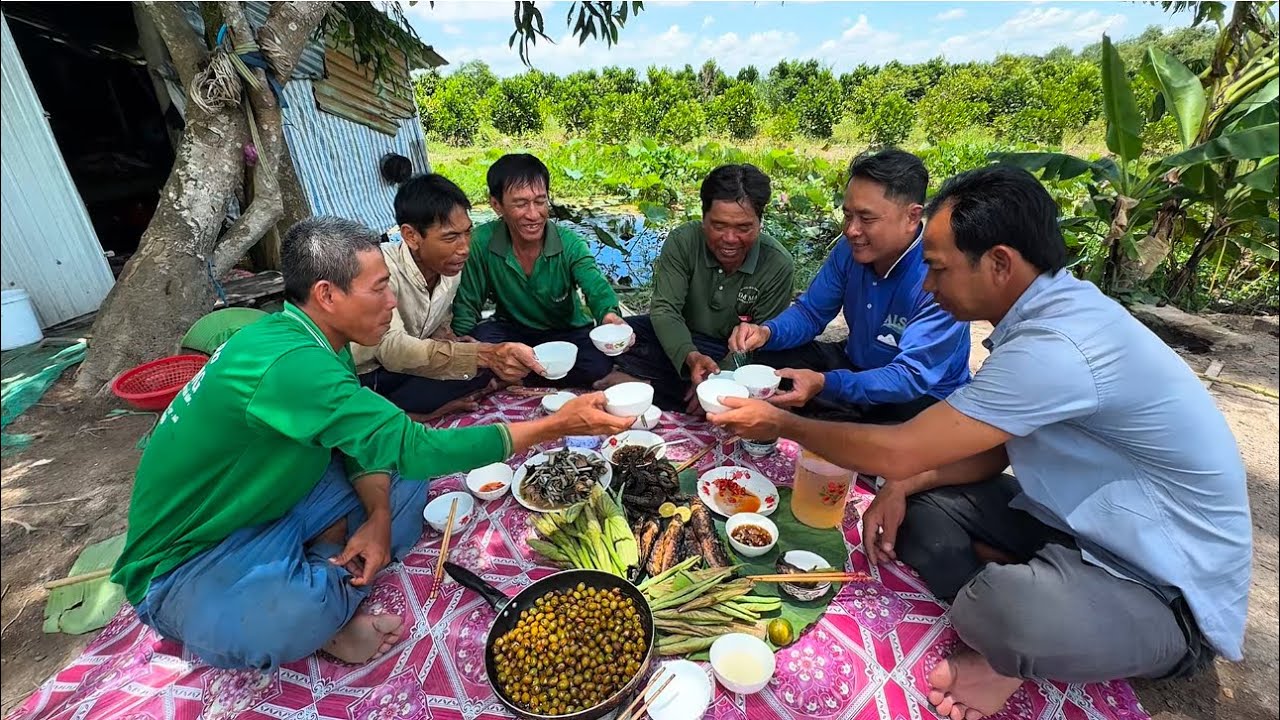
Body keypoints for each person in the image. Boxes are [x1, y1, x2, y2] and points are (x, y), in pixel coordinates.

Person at [707, 166, 1250, 720]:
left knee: (997, 611)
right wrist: (904, 484)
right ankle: (1045, 592)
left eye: (938, 268)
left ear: (998, 263)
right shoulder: (1041, 320)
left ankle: (1020, 640)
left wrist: (787, 426)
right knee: (912, 512)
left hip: (1156, 580)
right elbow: (999, 447)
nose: (926, 284)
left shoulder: (1058, 346)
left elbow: (902, 446)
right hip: (1069, 522)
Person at [111, 217, 634, 671]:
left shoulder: (317, 340)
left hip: (279, 502)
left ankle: (329, 552)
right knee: (275, 624)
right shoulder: (288, 365)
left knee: (405, 490)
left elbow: (368, 447)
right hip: (193, 553)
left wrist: (378, 519)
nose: (391, 303)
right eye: (379, 289)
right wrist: (551, 427)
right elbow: (413, 445)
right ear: (327, 295)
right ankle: (324, 607)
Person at [728, 149, 970, 423]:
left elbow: (911, 376)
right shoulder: (849, 251)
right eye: (847, 215)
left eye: (866, 219)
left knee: (888, 436)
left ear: (912, 217)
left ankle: (839, 421)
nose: (850, 230)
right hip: (855, 364)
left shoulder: (940, 273)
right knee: (769, 358)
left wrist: (827, 383)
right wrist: (766, 332)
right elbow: (811, 313)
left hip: (922, 394)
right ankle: (837, 418)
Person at [600, 164, 795, 411]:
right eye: (719, 226)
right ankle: (664, 389)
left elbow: (758, 345)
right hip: (682, 339)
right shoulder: (683, 241)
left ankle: (644, 387)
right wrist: (690, 357)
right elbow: (665, 310)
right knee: (616, 339)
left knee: (778, 370)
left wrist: (717, 383)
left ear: (760, 222)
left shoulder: (777, 264)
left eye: (744, 228)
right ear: (703, 219)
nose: (730, 239)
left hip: (730, 353)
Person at [354, 174, 545, 420]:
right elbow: (392, 350)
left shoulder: (449, 266)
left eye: (467, 232)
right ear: (411, 236)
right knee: (480, 362)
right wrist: (483, 354)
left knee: (481, 361)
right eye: (450, 237)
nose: (464, 247)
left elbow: (439, 320)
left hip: (410, 368)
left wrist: (452, 339)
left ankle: (419, 409)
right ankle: (411, 415)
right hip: (371, 376)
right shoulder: (380, 270)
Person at [450, 154, 625, 387]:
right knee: (481, 344)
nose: (533, 215)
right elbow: (468, 302)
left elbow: (596, 286)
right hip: (513, 332)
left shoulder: (570, 244)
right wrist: (460, 346)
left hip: (567, 333)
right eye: (521, 204)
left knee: (596, 363)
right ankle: (529, 374)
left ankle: (515, 376)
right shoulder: (482, 242)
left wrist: (608, 315)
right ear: (496, 205)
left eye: (540, 201)